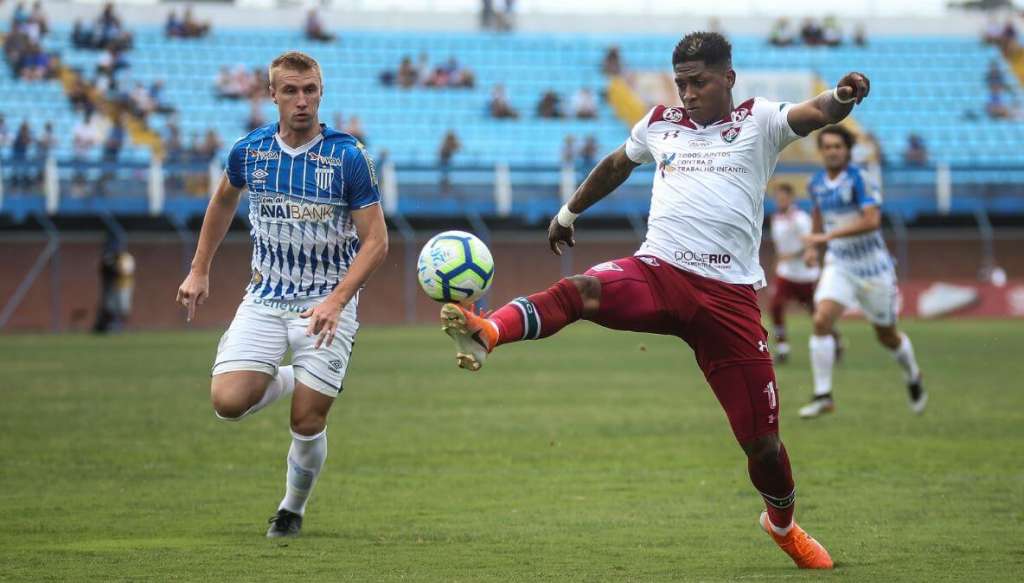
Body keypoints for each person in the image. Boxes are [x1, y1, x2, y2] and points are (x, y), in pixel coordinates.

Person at [440, 31, 870, 570]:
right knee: (580, 290)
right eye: (681, 83)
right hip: (658, 272)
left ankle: (782, 526)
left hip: (728, 301)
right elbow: (616, 165)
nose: (688, 93)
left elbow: (817, 112)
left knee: (763, 446)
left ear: (728, 79)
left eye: (699, 82)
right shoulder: (660, 123)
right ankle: (489, 331)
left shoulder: (760, 120)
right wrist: (568, 213)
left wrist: (844, 95)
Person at [175, 51, 389, 539]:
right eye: (290, 90)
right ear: (272, 94)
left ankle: (291, 509)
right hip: (266, 298)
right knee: (227, 403)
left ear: (321, 93)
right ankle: (295, 377)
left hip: (326, 303)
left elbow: (377, 242)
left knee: (307, 420)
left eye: (310, 90)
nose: (302, 100)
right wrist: (199, 269)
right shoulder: (249, 152)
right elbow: (222, 201)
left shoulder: (347, 157)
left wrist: (337, 300)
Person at [799, 125, 926, 419]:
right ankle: (823, 395)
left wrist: (827, 237)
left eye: (838, 147)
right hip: (840, 264)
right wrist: (813, 248)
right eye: (827, 147)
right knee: (821, 320)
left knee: (887, 336)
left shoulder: (861, 179)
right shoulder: (815, 183)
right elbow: (818, 214)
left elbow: (871, 221)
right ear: (821, 151)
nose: (832, 152)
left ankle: (912, 374)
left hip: (873, 269)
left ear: (847, 150)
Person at [767, 183, 839, 364]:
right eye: (778, 198)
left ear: (791, 198)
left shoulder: (800, 218)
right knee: (775, 306)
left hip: (806, 275)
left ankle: (835, 340)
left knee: (818, 314)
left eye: (783, 197)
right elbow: (780, 248)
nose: (780, 201)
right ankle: (782, 347)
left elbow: (810, 243)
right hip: (786, 274)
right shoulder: (776, 218)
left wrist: (795, 255)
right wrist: (778, 263)